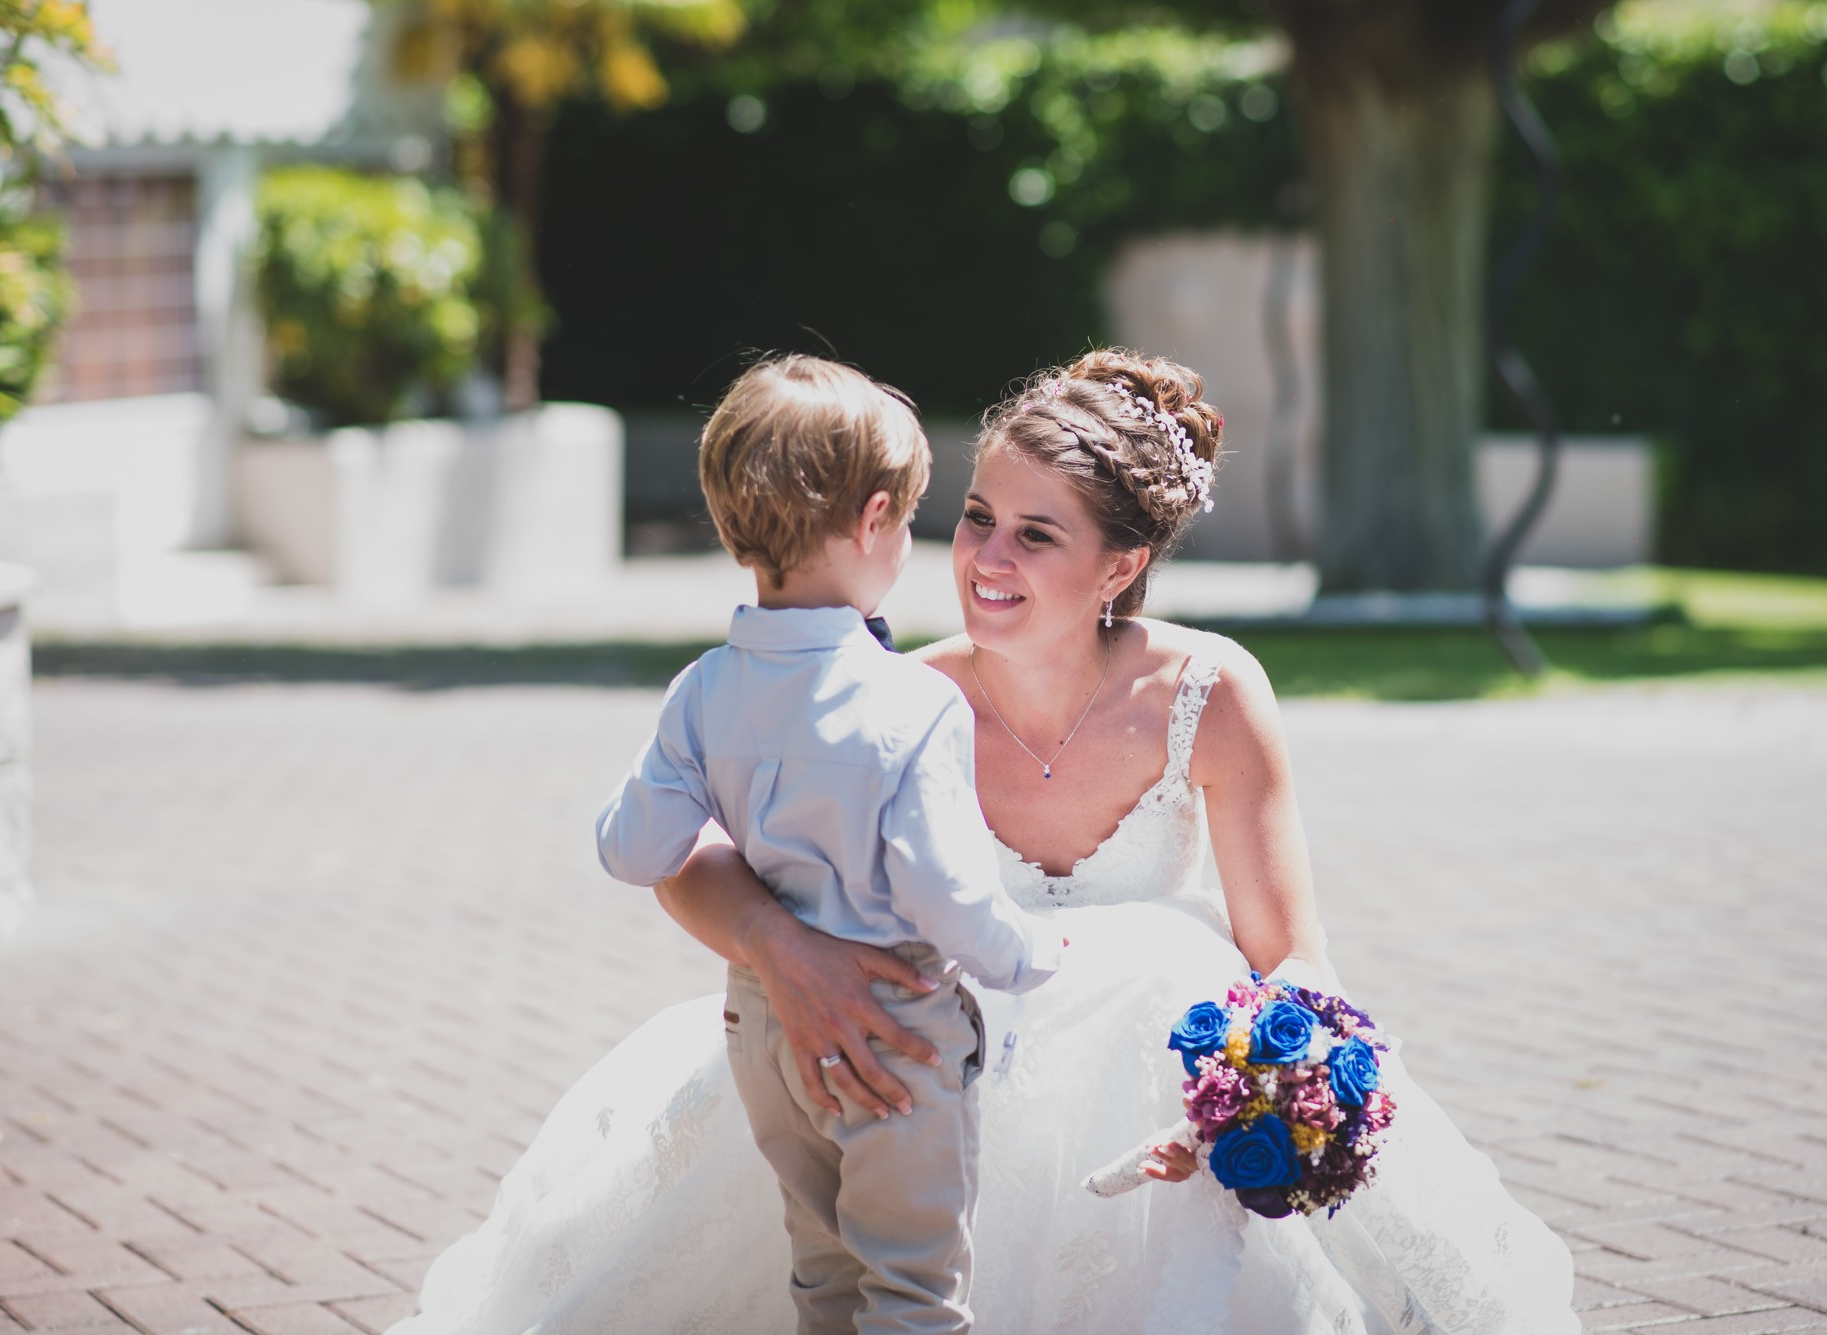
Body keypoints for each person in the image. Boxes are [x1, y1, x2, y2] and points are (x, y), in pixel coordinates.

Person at [393, 349, 1579, 1334]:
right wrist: (783, 953)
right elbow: (687, 857)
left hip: (1139, 1083)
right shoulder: (889, 693)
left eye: (1035, 536)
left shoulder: (1208, 691)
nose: (984, 559)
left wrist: (1235, 1103)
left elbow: (1292, 960)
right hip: (903, 1066)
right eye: (974, 518)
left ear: (1121, 565)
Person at [596, 353, 1062, 1334]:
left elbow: (632, 850)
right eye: (910, 520)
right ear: (872, 518)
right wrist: (1028, 956)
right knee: (915, 1291)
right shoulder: (912, 702)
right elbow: (945, 891)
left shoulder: (702, 690)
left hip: (761, 1032)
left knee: (822, 1269)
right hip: (895, 1028)